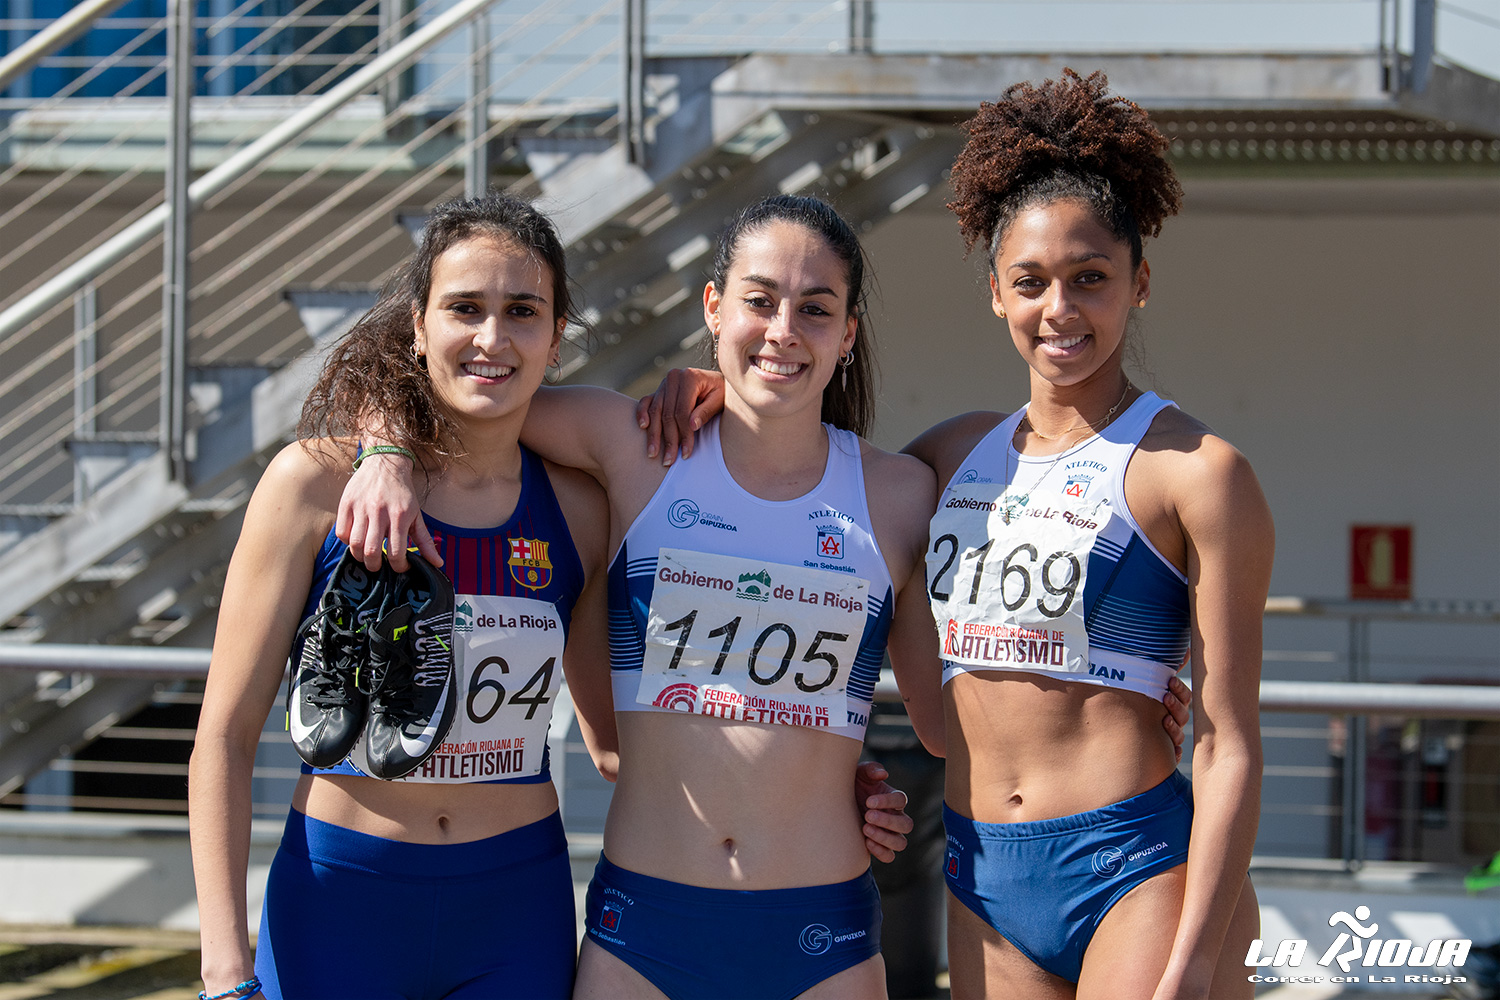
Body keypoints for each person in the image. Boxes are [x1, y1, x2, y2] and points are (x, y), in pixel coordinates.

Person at [636, 71, 1267, 1000]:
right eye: (1031, 282)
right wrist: (716, 391)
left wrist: (1196, 963)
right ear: (996, 293)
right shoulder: (946, 458)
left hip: (1137, 870)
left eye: (1091, 279)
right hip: (979, 875)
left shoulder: (1199, 472)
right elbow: (813, 495)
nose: (1060, 309)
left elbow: (1228, 745)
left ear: (1139, 283)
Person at [188, 193, 619, 1000]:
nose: (492, 338)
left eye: (523, 312)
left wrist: (807, 787)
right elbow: (224, 737)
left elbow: (613, 746)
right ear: (417, 327)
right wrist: (223, 971)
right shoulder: (312, 485)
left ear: (556, 338)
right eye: (465, 308)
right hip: (338, 906)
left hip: (514, 914)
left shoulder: (582, 513)